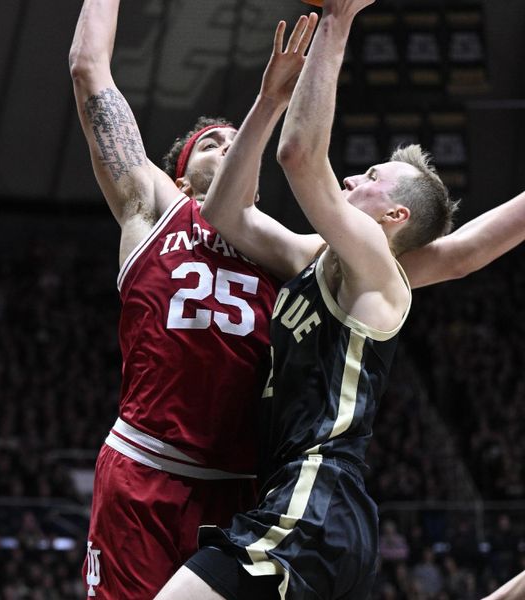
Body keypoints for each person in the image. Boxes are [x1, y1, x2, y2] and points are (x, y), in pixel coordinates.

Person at [70, 1, 525, 597]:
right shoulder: (157, 211)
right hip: (151, 467)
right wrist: (266, 105)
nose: (230, 145)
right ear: (180, 175)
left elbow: (458, 252)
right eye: (212, 143)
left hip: (254, 488)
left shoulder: (319, 255)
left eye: (237, 140)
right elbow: (90, 71)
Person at [155, 0, 462, 596]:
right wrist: (267, 99)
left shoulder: (378, 268)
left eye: (371, 179)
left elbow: (298, 155)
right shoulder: (317, 261)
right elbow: (224, 212)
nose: (352, 179)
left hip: (314, 500)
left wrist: (338, 20)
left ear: (395, 217)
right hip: (312, 509)